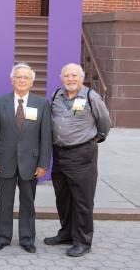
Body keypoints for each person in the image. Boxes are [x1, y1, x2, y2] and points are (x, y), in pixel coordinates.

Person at [44, 63, 111, 257]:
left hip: (82, 155)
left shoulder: (91, 97)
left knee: (82, 200)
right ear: (61, 78)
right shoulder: (57, 95)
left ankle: (83, 241)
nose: (70, 79)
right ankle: (66, 233)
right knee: (63, 197)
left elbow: (105, 121)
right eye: (66, 76)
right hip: (59, 154)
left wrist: (96, 138)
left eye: (74, 75)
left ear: (81, 78)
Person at [0, 63, 52, 253]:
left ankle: (27, 239)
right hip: (4, 161)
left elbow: (46, 137)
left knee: (28, 202)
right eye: (18, 77)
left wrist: (43, 164)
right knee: (4, 201)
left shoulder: (41, 103)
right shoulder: (0, 102)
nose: (22, 80)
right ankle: (2, 237)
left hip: (31, 163)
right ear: (12, 80)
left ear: (32, 82)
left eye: (26, 78)